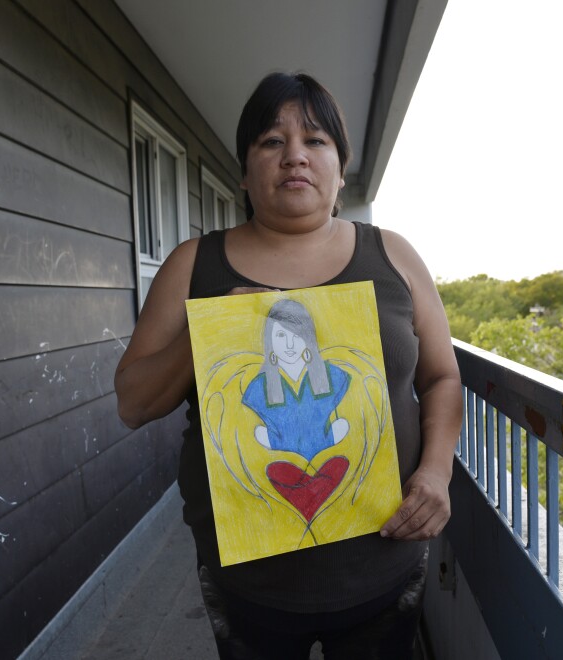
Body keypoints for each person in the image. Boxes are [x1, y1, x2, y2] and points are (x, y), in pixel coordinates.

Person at [115, 71, 462, 659]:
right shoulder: (195, 264)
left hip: (383, 561)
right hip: (246, 580)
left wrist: (435, 472)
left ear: (341, 168)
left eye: (316, 140)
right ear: (246, 172)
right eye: (271, 142)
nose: (294, 156)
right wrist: (211, 327)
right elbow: (133, 403)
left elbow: (442, 376)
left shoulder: (393, 254)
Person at [242, 299, 351, 461]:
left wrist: (335, 435)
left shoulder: (333, 376)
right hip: (283, 469)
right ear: (269, 340)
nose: (289, 344)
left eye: (296, 334)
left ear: (308, 337)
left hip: (329, 463)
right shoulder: (258, 387)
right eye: (281, 335)